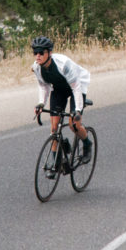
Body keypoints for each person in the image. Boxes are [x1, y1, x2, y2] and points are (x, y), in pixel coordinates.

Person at [31, 35, 92, 163]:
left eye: (41, 52)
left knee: (73, 125)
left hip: (77, 86)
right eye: (35, 52)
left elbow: (76, 88)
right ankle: (56, 162)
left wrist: (78, 110)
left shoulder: (63, 64)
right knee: (54, 129)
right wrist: (41, 103)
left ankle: (87, 144)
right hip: (59, 88)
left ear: (49, 53)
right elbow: (44, 86)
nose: (38, 56)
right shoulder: (36, 67)